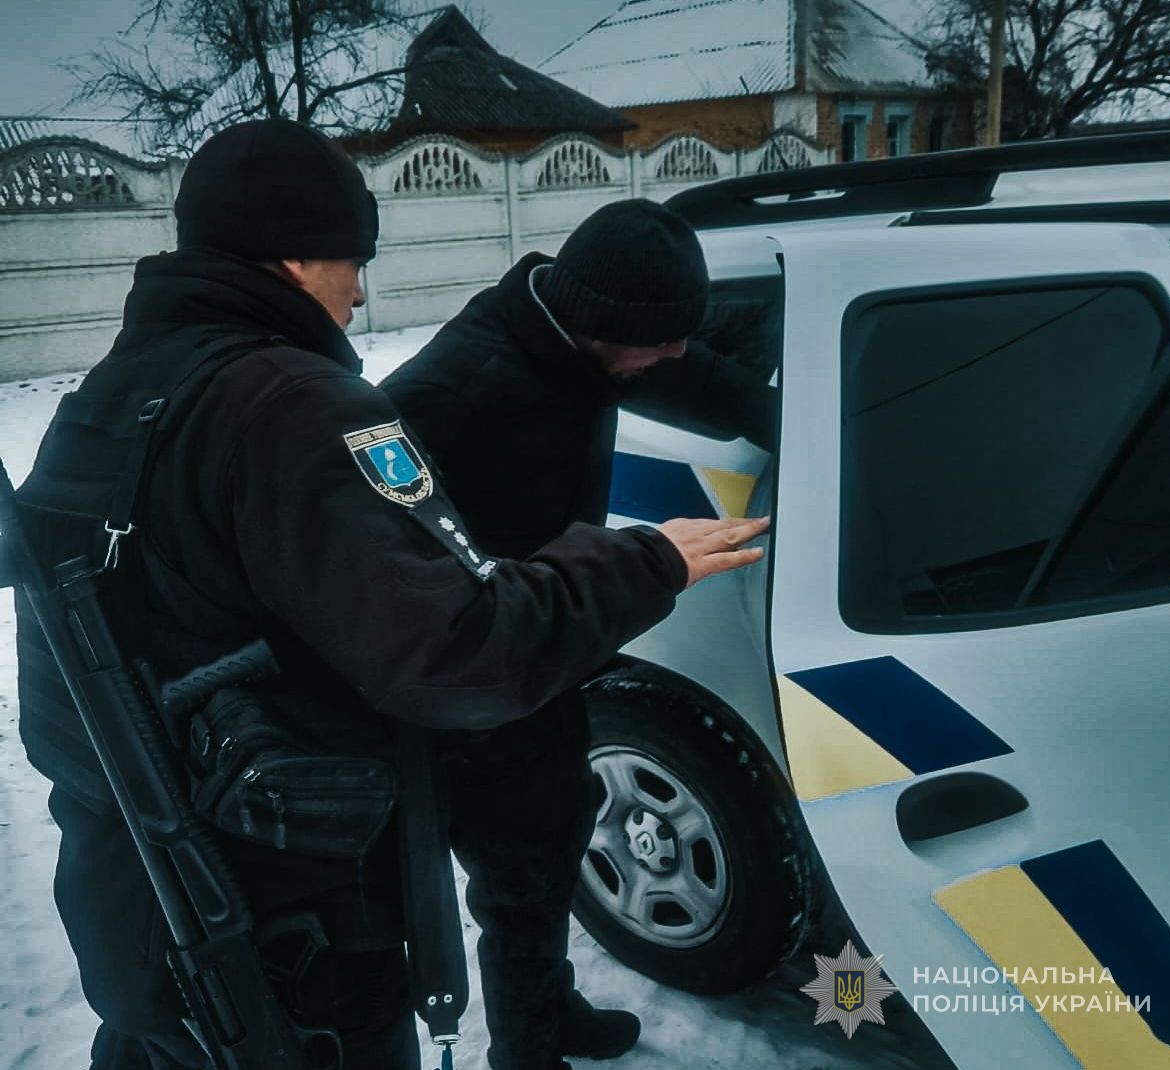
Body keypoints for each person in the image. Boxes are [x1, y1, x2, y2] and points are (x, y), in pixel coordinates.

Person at [13, 121, 769, 1070]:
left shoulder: (106, 399)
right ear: (293, 255)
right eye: (353, 261)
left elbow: (66, 689)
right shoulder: (296, 406)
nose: (361, 293)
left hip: (141, 898)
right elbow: (449, 649)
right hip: (284, 918)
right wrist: (646, 563)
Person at [379, 198, 776, 1070]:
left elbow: (699, 376)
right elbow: (381, 551)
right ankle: (528, 1052)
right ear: (607, 325)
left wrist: (805, 423)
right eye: (660, 341)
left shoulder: (584, 341)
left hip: (548, 649)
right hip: (475, 676)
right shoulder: (452, 392)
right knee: (519, 876)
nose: (673, 355)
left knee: (556, 841)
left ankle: (549, 1011)